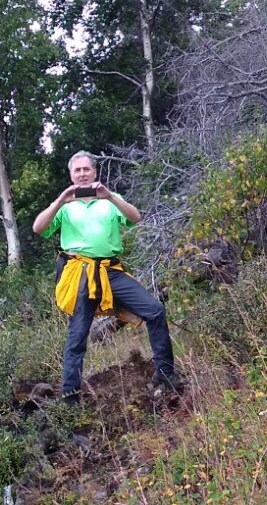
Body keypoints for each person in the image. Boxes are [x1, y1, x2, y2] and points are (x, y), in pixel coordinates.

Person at [32, 151, 180, 401]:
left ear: (94, 172)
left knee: (155, 310)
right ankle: (70, 398)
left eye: (86, 169)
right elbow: (38, 227)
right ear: (71, 174)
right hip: (80, 273)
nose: (82, 174)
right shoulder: (65, 205)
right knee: (78, 335)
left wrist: (109, 195)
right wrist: (60, 199)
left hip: (110, 270)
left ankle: (165, 375)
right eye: (77, 170)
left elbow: (135, 217)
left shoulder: (110, 199)